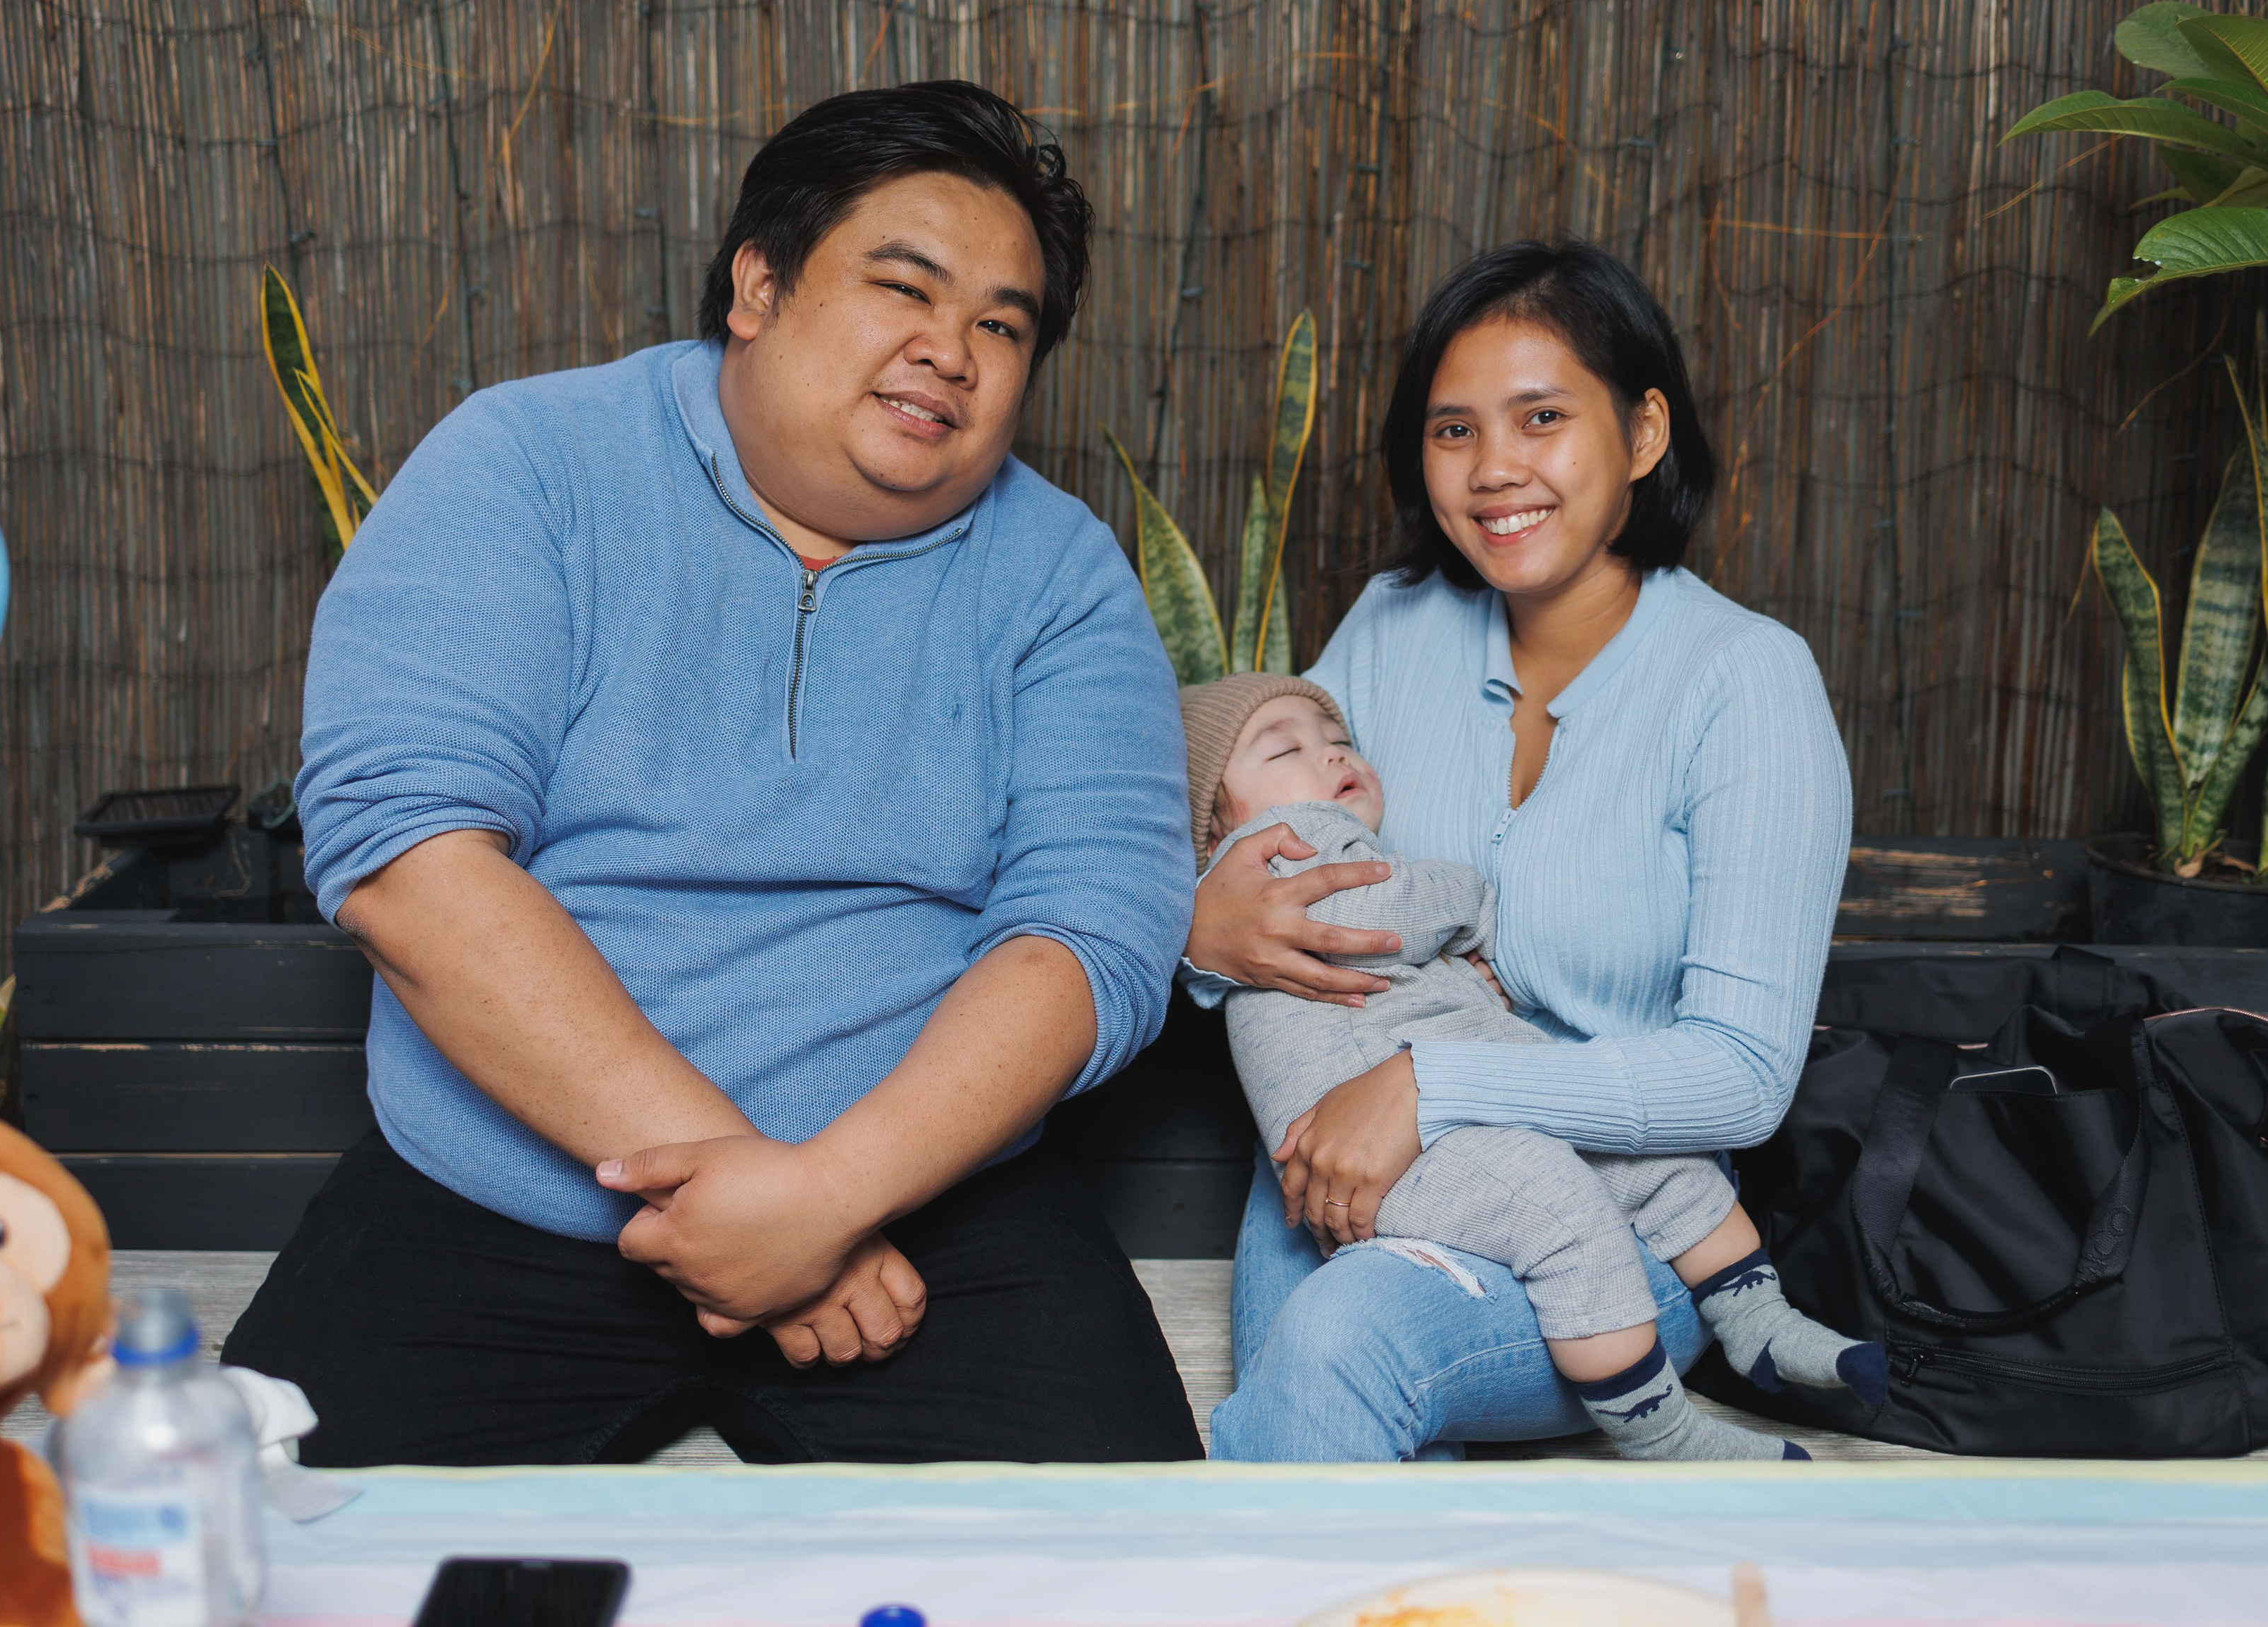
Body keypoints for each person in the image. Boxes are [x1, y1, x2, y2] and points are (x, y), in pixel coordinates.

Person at [223, 81, 1206, 1465]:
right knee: (245, 1544)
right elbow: (407, 860)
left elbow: (1093, 932)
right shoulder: (527, 463)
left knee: (1127, 1564)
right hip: (499, 1186)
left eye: (1003, 324)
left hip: (923, 1212)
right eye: (905, 288)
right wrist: (754, 1206)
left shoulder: (1062, 577)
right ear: (758, 285)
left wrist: (830, 1198)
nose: (952, 352)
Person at [1187, 240, 1853, 1462]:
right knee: (1330, 1415)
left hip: (1613, 1222)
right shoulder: (1393, 629)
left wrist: (1432, 1087)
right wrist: (1202, 930)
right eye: (1454, 431)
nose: (1495, 469)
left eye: (1542, 417)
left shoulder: (1746, 683)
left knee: (1339, 1346)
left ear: (1643, 432)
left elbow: (1744, 1077)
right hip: (1350, 1167)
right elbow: (1233, 815)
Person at [1179, 676, 1882, 1462]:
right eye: (1287, 750)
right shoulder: (1288, 842)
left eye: (1338, 739)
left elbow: (1743, 1077)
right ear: (1214, 823)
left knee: (1651, 1163)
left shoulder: (1744, 680)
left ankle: (1759, 1322)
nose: (1333, 753)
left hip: (1473, 1101)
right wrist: (1469, 903)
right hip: (1402, 1147)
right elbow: (1371, 913)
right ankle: (1667, 1430)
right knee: (1561, 1197)